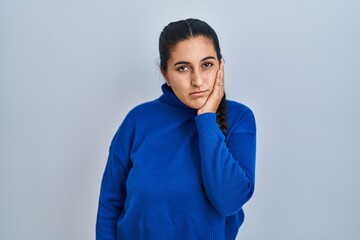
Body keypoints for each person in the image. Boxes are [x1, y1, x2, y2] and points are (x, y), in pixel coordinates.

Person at [96, 18, 256, 240]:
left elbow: (229, 202)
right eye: (183, 68)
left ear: (221, 66)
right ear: (165, 73)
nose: (197, 80)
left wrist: (207, 119)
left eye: (207, 65)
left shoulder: (239, 118)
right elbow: (110, 204)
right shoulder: (137, 121)